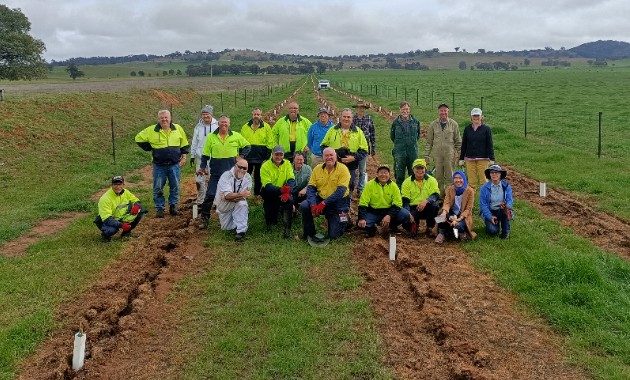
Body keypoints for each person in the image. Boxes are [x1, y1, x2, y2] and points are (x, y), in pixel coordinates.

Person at [198, 115, 251, 229]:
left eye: (226, 122)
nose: (224, 124)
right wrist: (202, 167)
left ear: (229, 124)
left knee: (234, 195)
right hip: (216, 173)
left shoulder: (236, 136)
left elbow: (247, 146)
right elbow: (205, 155)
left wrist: (241, 157)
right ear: (218, 124)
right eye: (222, 122)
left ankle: (236, 218)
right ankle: (204, 218)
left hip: (232, 175)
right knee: (210, 195)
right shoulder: (211, 137)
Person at [135, 109, 189, 217]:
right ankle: (160, 209)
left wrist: (184, 156)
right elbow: (138, 138)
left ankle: (173, 207)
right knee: (158, 187)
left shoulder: (178, 128)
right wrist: (150, 148)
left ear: (170, 118)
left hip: (174, 165)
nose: (164, 119)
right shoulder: (151, 130)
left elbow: (184, 143)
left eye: (166, 117)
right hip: (159, 166)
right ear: (158, 119)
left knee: (175, 186)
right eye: (161, 118)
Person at [300, 147, 351, 242]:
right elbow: (311, 188)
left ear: (336, 156)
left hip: (338, 203)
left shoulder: (343, 169)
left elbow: (340, 192)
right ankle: (309, 233)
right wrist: (313, 204)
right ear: (323, 157)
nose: (329, 157)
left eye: (331, 155)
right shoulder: (317, 169)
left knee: (333, 235)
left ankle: (345, 220)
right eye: (326, 155)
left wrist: (323, 204)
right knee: (304, 206)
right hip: (321, 198)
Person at [320, 108, 368, 201]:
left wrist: (354, 157)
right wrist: (332, 156)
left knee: (350, 183)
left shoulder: (358, 132)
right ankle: (333, 201)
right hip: (335, 163)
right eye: (344, 117)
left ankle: (347, 203)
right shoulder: (332, 130)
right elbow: (323, 146)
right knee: (334, 183)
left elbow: (364, 150)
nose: (346, 119)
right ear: (340, 118)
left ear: (352, 119)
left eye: (348, 117)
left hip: (351, 164)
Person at [357, 165, 412, 237]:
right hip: (374, 212)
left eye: (385, 173)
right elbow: (363, 203)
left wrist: (389, 215)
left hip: (388, 211)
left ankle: (392, 225)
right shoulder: (369, 185)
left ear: (389, 175)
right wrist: (361, 218)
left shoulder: (394, 186)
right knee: (360, 224)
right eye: (381, 172)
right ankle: (373, 228)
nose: (383, 175)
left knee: (405, 214)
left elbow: (398, 204)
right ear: (377, 174)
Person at [425, 103, 462, 198]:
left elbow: (458, 141)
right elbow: (429, 142)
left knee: (450, 177)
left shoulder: (454, 124)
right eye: (441, 111)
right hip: (437, 156)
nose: (443, 112)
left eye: (445, 110)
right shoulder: (433, 125)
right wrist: (427, 155)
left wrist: (460, 156)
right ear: (438, 112)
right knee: (439, 177)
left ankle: (449, 198)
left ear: (448, 111)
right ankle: (440, 197)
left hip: (450, 155)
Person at [260, 145, 296, 238]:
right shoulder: (265, 166)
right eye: (276, 154)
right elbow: (267, 185)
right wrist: (281, 191)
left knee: (290, 201)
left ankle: (287, 229)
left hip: (284, 191)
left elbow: (291, 179)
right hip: (270, 192)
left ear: (283, 155)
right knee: (271, 219)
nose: (279, 157)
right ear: (272, 154)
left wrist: (288, 192)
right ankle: (270, 221)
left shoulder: (287, 163)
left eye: (281, 154)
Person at [95, 176, 145, 242]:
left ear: (123, 185)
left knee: (140, 211)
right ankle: (105, 235)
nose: (118, 187)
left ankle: (126, 233)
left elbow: (136, 200)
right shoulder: (105, 199)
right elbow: (107, 219)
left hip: (122, 216)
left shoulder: (126, 192)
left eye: (120, 184)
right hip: (108, 220)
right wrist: (121, 225)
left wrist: (136, 206)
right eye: (115, 184)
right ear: (112, 185)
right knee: (111, 230)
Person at [214, 157, 252, 241]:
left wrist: (229, 196)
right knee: (226, 228)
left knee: (242, 204)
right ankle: (235, 220)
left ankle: (241, 231)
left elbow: (242, 196)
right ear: (235, 166)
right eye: (240, 167)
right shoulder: (226, 175)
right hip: (223, 205)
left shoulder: (248, 177)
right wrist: (239, 195)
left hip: (235, 201)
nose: (242, 170)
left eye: (244, 168)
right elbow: (230, 196)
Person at [434, 171, 477, 243]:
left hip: (463, 215)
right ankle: (441, 233)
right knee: (439, 219)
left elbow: (468, 209)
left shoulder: (470, 191)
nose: (458, 180)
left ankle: (460, 232)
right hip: (451, 213)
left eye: (460, 178)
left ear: (464, 179)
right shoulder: (450, 189)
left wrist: (459, 219)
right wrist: (444, 213)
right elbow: (446, 203)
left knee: (458, 226)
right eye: (455, 178)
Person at [240, 107, 273, 201]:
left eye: (258, 114)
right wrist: (241, 156)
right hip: (248, 157)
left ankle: (257, 195)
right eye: (255, 114)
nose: (256, 116)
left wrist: (267, 157)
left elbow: (270, 142)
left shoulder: (266, 127)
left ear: (261, 115)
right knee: (246, 176)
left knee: (258, 177)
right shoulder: (245, 127)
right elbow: (241, 142)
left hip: (260, 157)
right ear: (252, 115)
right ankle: (243, 194)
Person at [401, 158, 440, 236]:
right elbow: (405, 200)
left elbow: (436, 195)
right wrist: (408, 213)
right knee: (407, 225)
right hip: (413, 208)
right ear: (413, 169)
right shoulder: (407, 182)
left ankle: (430, 227)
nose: (420, 170)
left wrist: (426, 201)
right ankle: (414, 226)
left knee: (434, 206)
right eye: (417, 168)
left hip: (427, 206)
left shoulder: (432, 180)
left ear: (425, 169)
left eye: (422, 168)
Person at [459, 108, 495, 189]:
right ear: (471, 117)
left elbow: (490, 144)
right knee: (471, 182)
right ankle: (471, 200)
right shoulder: (467, 129)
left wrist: (492, 158)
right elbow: (464, 144)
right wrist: (461, 158)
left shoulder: (486, 129)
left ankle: (485, 201)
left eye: (478, 116)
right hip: (469, 159)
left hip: (483, 159)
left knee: (484, 181)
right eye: (474, 116)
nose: (476, 118)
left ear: (482, 117)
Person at [190, 105, 218, 206]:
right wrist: (192, 155)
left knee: (213, 179)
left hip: (214, 157)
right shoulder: (198, 127)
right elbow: (194, 141)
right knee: (199, 180)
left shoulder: (217, 126)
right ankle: (201, 199)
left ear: (211, 114)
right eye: (203, 114)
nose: (205, 116)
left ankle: (214, 200)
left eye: (207, 114)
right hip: (200, 157)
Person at [391, 101, 421, 187]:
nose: (405, 111)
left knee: (413, 173)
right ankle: (400, 194)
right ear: (400, 110)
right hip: (399, 152)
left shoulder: (415, 122)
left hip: (412, 152)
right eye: (403, 109)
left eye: (407, 109)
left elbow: (417, 136)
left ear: (409, 109)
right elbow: (392, 137)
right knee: (399, 174)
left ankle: (412, 192)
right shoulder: (395, 123)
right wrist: (400, 145)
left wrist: (411, 143)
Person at [479, 164, 513, 239]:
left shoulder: (506, 186)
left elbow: (509, 200)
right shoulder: (484, 188)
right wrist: (490, 216)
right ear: (489, 175)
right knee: (493, 231)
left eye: (496, 172)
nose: (494, 174)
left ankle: (506, 232)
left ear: (500, 174)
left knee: (505, 211)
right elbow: (483, 205)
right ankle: (493, 224)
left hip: (502, 209)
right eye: (492, 172)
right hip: (491, 211)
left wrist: (507, 206)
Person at [352, 101, 376, 198]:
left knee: (362, 170)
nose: (361, 109)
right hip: (354, 149)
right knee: (353, 170)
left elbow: (372, 134)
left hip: (364, 149)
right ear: (357, 109)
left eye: (363, 108)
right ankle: (351, 187)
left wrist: (373, 148)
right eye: (359, 108)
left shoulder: (369, 119)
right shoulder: (353, 119)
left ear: (365, 109)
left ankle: (360, 189)